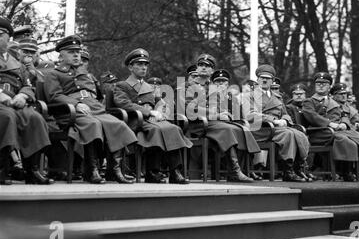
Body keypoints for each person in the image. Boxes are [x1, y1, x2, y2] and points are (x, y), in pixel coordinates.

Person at [43, 35, 138, 184]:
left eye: (77, 52)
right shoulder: (53, 74)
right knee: (92, 124)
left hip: (94, 109)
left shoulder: (85, 75)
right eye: (71, 52)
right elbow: (54, 96)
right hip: (69, 113)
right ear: (61, 55)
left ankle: (114, 170)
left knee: (118, 124)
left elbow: (95, 94)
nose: (76, 55)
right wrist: (75, 104)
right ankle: (91, 170)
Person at [113, 48, 192, 184]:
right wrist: (149, 112)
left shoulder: (149, 87)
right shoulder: (122, 85)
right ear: (131, 67)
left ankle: (175, 172)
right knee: (156, 130)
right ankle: (152, 172)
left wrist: (160, 111)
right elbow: (124, 103)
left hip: (153, 120)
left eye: (145, 65)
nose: (144, 68)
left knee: (173, 129)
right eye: (139, 64)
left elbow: (161, 102)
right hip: (136, 120)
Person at [182, 53, 255, 182]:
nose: (203, 67)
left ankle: (242, 169)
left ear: (212, 71)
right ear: (197, 68)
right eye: (201, 65)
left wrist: (224, 113)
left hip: (213, 124)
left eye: (207, 65)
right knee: (227, 129)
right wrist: (216, 114)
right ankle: (234, 171)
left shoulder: (214, 88)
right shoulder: (189, 86)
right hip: (197, 124)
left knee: (241, 129)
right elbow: (190, 109)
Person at [0, 16, 53, 185]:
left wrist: (23, 95)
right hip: (2, 103)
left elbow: (27, 84)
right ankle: (2, 169)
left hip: (15, 101)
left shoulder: (17, 62)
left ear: (8, 38)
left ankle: (33, 170)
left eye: (1, 34)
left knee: (34, 118)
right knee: (8, 117)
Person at [302, 72, 359, 182]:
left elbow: (344, 114)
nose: (320, 85)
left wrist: (344, 123)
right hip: (319, 132)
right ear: (314, 86)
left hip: (336, 130)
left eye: (324, 83)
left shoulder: (333, 101)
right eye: (318, 83)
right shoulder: (309, 101)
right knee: (345, 140)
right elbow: (312, 116)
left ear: (329, 87)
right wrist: (329, 124)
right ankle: (346, 172)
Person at [242, 64, 312, 182]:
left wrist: (285, 120)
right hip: (260, 129)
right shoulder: (249, 96)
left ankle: (297, 167)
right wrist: (273, 120)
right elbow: (250, 115)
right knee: (288, 134)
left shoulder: (277, 97)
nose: (264, 80)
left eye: (268, 78)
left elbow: (285, 113)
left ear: (272, 81)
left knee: (299, 133)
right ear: (257, 79)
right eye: (261, 78)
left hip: (276, 129)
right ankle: (288, 171)